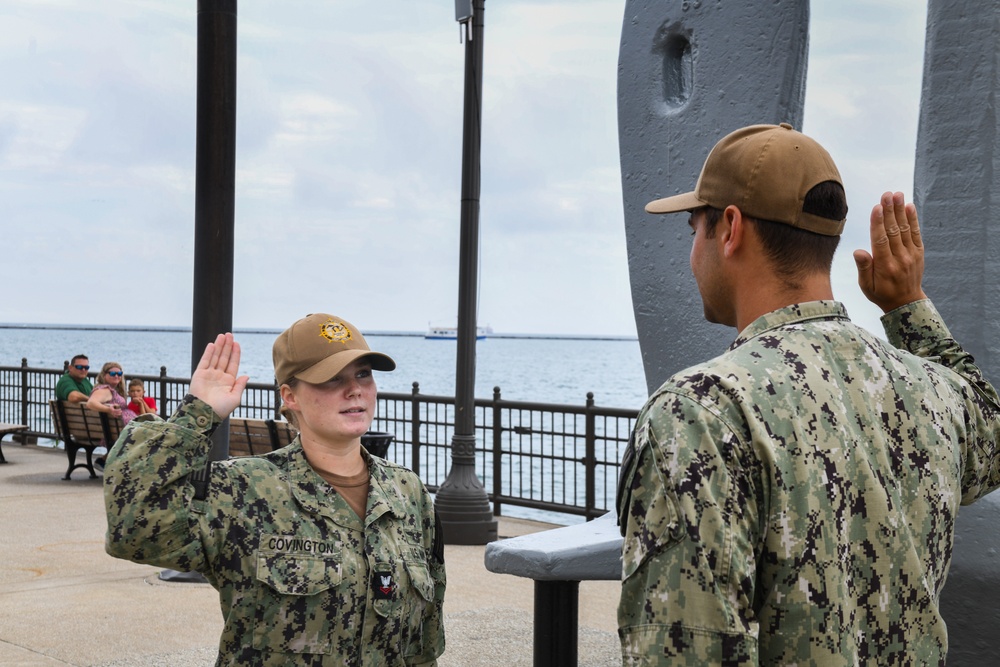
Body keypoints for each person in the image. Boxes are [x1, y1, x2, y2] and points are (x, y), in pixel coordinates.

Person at [616, 123, 1000, 665]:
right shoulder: (933, 390)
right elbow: (991, 431)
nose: (691, 252)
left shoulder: (700, 412)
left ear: (729, 228)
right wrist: (908, 307)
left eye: (692, 228)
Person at [103, 313, 446, 666]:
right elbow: (133, 531)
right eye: (331, 379)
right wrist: (196, 416)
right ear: (289, 396)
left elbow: (424, 641)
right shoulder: (246, 489)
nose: (355, 389)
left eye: (363, 374)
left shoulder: (407, 492)